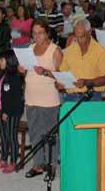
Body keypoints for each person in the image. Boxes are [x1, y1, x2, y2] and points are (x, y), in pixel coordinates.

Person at [21, 18, 63, 179]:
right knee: (35, 132)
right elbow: (26, 71)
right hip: (31, 96)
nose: (37, 36)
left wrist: (45, 71)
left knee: (50, 134)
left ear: (47, 33)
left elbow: (61, 76)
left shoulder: (55, 50)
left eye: (40, 33)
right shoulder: (29, 48)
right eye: (34, 33)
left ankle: (51, 166)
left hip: (49, 99)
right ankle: (38, 164)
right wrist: (21, 70)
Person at [58, 19, 105, 102]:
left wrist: (87, 82)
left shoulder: (101, 51)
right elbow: (63, 74)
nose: (79, 41)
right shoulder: (69, 51)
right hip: (71, 97)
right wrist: (60, 84)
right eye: (76, 37)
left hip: (92, 97)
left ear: (89, 32)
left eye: (82, 37)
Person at [0, 50, 24, 174]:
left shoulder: (16, 77)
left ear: (9, 61)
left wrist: (7, 112)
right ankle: (3, 159)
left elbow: (15, 98)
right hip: (2, 110)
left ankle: (14, 162)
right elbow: (0, 95)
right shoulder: (3, 75)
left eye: (1, 60)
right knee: (4, 136)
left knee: (11, 136)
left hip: (12, 111)